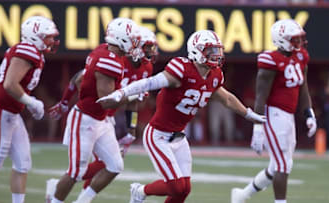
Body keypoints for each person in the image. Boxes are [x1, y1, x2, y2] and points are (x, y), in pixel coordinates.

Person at [98, 29, 266, 203]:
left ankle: (142, 193)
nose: (216, 55)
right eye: (211, 51)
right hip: (158, 135)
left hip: (179, 136)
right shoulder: (181, 69)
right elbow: (150, 82)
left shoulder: (214, 75)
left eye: (218, 50)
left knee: (184, 190)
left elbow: (227, 99)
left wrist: (248, 114)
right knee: (176, 187)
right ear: (196, 50)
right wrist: (123, 93)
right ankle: (140, 192)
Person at [45, 26, 157, 201]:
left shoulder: (135, 64)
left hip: (103, 118)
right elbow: (106, 99)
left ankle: (81, 200)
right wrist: (64, 102)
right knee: (77, 171)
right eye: (143, 45)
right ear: (122, 40)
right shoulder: (110, 59)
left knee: (115, 165)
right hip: (87, 117)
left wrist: (131, 129)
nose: (148, 51)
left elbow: (131, 102)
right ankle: (55, 197)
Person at [231, 19, 317, 203]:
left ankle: (241, 195)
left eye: (299, 38)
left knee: (277, 165)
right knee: (282, 165)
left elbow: (303, 87)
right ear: (281, 40)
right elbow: (260, 96)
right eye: (294, 39)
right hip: (273, 115)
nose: (299, 43)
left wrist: (309, 113)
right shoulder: (270, 60)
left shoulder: (301, 56)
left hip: (288, 116)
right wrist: (258, 127)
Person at [0, 16, 59, 203]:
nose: (51, 41)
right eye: (47, 37)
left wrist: (28, 101)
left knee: (23, 163)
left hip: (12, 113)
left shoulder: (34, 53)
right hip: (0, 111)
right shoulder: (27, 50)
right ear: (34, 36)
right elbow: (9, 84)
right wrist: (31, 103)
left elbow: (17, 86)